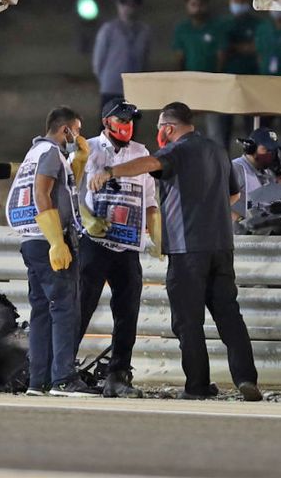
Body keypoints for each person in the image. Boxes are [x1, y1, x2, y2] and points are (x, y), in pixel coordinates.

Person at [89, 102, 262, 401]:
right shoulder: (218, 151)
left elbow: (149, 164)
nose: (158, 132)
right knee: (229, 316)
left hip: (187, 249)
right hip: (221, 246)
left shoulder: (176, 151)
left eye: (159, 126)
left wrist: (110, 171)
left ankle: (197, 385)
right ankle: (246, 378)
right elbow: (233, 193)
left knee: (187, 320)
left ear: (169, 127)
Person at [6, 107, 96, 396]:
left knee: (43, 311)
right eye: (77, 130)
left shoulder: (34, 154)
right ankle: (64, 379)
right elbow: (42, 193)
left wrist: (79, 160)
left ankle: (38, 380)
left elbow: (65, 189)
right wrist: (57, 242)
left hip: (32, 241)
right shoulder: (50, 153)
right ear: (66, 130)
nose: (79, 136)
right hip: (49, 240)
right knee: (64, 309)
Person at [74, 99, 162, 398]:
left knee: (127, 312)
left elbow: (150, 201)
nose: (127, 127)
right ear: (106, 122)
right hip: (95, 243)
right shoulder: (88, 149)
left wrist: (159, 237)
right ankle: (60, 369)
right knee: (81, 305)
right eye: (121, 121)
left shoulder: (141, 153)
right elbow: (72, 191)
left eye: (131, 122)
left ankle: (119, 374)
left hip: (128, 246)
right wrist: (87, 220)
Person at [216, 0, 262, 147]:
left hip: (251, 80)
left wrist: (236, 47)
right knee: (223, 127)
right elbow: (222, 51)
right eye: (236, 0)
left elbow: (258, 48)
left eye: (242, 1)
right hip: (227, 80)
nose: (239, 4)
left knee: (251, 126)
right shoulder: (224, 24)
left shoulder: (257, 24)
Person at [91, 0, 151, 109]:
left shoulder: (144, 31)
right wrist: (104, 80)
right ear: (118, 5)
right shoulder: (108, 29)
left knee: (130, 125)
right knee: (108, 124)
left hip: (133, 86)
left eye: (133, 5)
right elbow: (98, 60)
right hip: (111, 85)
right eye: (125, 4)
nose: (128, 9)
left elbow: (145, 59)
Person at [231, 127, 281, 229]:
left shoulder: (267, 171)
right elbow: (215, 200)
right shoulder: (237, 168)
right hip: (238, 236)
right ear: (251, 149)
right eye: (267, 150)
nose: (271, 154)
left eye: (274, 151)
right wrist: (239, 221)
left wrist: (279, 172)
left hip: (262, 232)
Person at [172, 0, 220, 72]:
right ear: (186, 5)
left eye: (201, 4)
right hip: (188, 77)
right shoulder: (181, 29)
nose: (197, 9)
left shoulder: (216, 28)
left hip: (212, 78)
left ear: (207, 5)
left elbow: (221, 56)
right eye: (193, 4)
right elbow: (179, 57)